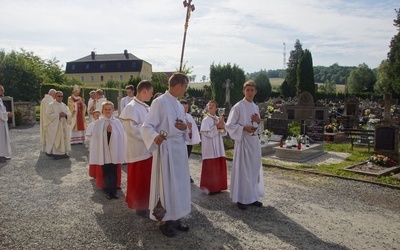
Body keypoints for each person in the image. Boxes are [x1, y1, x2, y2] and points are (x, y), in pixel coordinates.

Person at [141, 73, 191, 238]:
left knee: (179, 184)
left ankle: (176, 217)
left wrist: (184, 128)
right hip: (166, 149)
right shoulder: (159, 102)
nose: (185, 90)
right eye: (185, 86)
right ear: (178, 85)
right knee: (166, 184)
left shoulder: (177, 104)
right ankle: (165, 220)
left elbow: (181, 125)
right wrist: (155, 136)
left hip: (179, 149)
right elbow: (147, 126)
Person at [225, 80, 265, 210]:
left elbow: (259, 128)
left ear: (255, 92)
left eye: (252, 90)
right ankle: (241, 198)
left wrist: (259, 122)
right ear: (243, 91)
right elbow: (229, 125)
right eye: (247, 90)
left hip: (254, 143)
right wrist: (243, 128)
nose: (249, 92)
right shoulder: (238, 107)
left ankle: (252, 197)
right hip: (243, 142)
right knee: (243, 171)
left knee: (253, 170)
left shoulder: (255, 107)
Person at [120, 80, 153, 218]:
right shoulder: (131, 107)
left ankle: (147, 203)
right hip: (138, 149)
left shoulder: (145, 107)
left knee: (147, 179)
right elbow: (132, 129)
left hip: (148, 149)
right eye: (150, 92)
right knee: (139, 179)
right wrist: (152, 134)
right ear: (144, 91)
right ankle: (139, 206)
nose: (151, 95)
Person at [90, 101, 125, 200]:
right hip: (104, 151)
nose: (108, 111)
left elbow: (120, 137)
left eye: (109, 109)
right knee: (106, 171)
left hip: (114, 151)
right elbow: (97, 138)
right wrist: (107, 132)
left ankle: (113, 190)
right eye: (106, 109)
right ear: (102, 111)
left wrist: (112, 132)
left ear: (113, 110)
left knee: (113, 170)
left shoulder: (117, 122)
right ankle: (108, 191)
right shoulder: (99, 123)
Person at [199, 100, 228, 194]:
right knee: (210, 166)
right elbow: (207, 134)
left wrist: (222, 125)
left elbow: (223, 133)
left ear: (216, 108)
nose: (211, 106)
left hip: (218, 145)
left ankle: (218, 186)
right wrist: (216, 127)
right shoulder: (205, 120)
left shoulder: (219, 118)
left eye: (213, 105)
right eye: (209, 105)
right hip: (209, 146)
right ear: (207, 107)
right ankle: (209, 188)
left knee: (218, 165)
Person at [44, 91, 72, 159]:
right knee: (57, 139)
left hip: (63, 125)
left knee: (64, 138)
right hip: (55, 126)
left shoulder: (64, 105)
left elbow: (69, 114)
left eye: (61, 96)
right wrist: (58, 115)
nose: (60, 98)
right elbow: (48, 115)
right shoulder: (51, 105)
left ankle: (64, 152)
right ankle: (56, 153)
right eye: (59, 96)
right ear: (55, 96)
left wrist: (65, 115)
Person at [180, 99, 201, 183]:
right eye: (183, 107)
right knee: (182, 159)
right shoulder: (178, 116)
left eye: (186, 107)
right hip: (181, 142)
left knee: (186, 159)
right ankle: (182, 176)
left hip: (189, 142)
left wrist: (191, 127)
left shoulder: (189, 116)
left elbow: (194, 128)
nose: (185, 109)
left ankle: (187, 175)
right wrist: (185, 126)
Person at [85, 110, 101, 179]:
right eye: (97, 115)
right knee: (95, 157)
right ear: (93, 116)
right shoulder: (92, 124)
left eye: (99, 115)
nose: (98, 117)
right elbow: (88, 134)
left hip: (101, 144)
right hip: (94, 143)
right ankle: (94, 173)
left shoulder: (102, 123)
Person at [0, 85, 13, 161]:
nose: (2, 91)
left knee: (3, 139)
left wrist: (7, 113)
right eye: (1, 90)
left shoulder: (0, 100)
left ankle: (3, 154)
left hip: (2, 122)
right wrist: (7, 114)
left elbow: (3, 111)